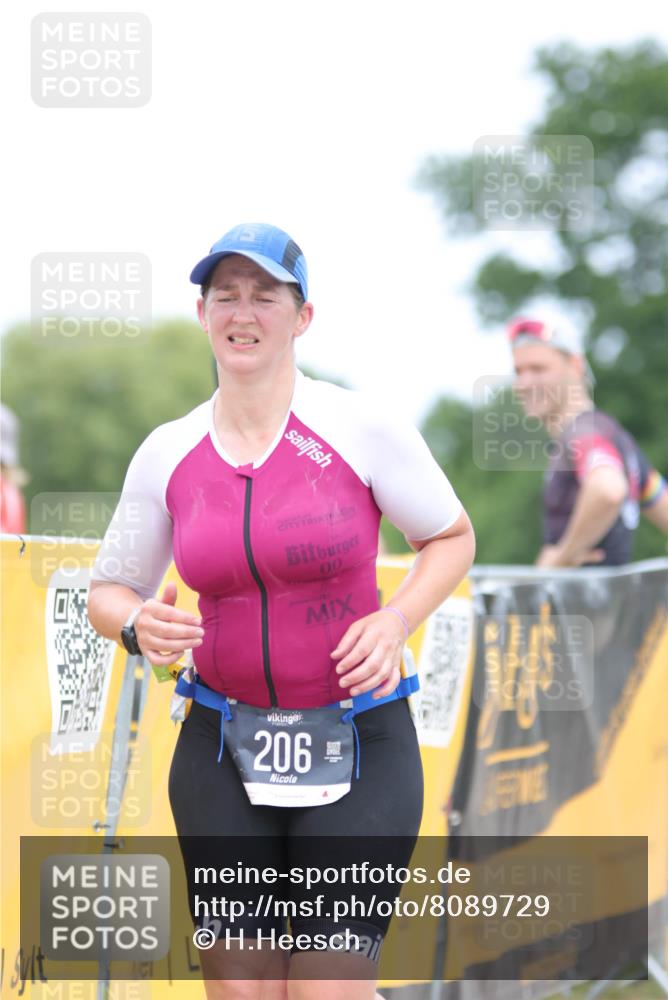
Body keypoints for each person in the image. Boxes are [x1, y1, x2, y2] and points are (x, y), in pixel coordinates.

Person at [87, 223, 475, 1000]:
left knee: (325, 988)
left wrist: (397, 619)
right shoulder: (166, 452)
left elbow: (450, 537)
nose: (244, 310)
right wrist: (137, 626)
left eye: (266, 295)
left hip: (360, 739)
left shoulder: (361, 427)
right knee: (242, 990)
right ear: (203, 314)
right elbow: (109, 591)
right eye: (225, 294)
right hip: (220, 745)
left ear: (302, 318)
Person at [508, 316, 667, 567]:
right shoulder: (616, 437)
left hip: (591, 604)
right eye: (519, 371)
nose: (524, 384)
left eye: (538, 369)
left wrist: (561, 558)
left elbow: (607, 490)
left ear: (575, 366)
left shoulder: (583, 433)